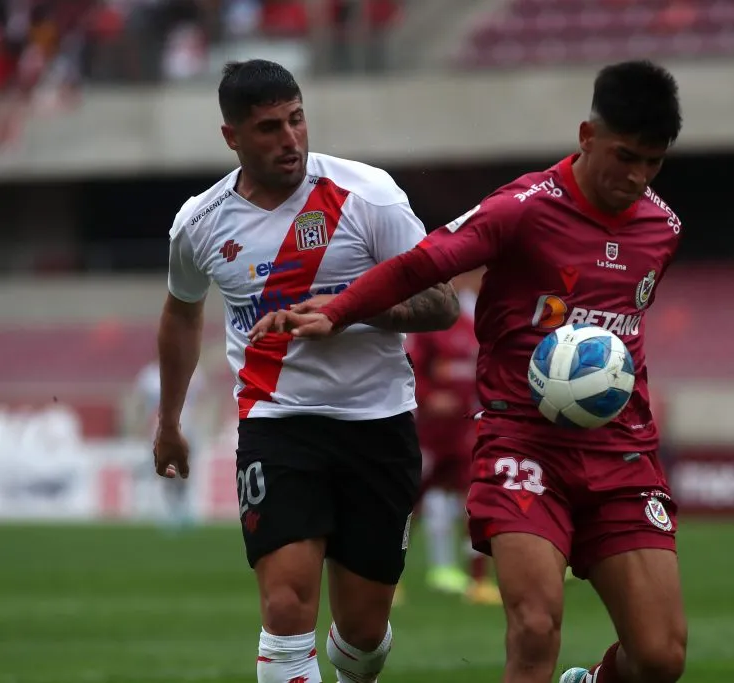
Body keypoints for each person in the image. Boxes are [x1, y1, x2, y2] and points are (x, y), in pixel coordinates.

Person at [250, 59, 687, 683]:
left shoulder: (661, 228)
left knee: (661, 659)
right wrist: (341, 310)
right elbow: (422, 263)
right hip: (523, 445)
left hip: (622, 453)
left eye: (653, 162)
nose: (637, 177)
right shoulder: (522, 209)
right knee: (534, 629)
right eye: (625, 157)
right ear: (588, 137)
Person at [152, 59, 460, 683]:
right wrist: (169, 420)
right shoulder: (200, 223)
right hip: (277, 421)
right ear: (231, 136)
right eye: (268, 128)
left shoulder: (368, 195)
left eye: (296, 120)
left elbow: (442, 304)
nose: (290, 139)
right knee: (286, 607)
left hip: (378, 421)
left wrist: (349, 309)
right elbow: (182, 317)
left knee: (363, 634)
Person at [406, 267, 501, 605]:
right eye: (472, 276)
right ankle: (388, 580)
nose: (476, 283)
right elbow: (411, 367)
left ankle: (479, 579)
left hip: (465, 429)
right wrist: (428, 396)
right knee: (408, 504)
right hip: (429, 432)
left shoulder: (482, 322)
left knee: (474, 502)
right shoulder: (434, 319)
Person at [134, 359, 207, 530]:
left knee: (185, 469)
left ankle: (185, 507)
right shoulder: (149, 375)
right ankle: (171, 510)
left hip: (187, 426)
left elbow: (202, 401)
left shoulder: (194, 372)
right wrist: (142, 426)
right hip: (160, 428)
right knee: (167, 469)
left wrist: (201, 424)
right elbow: (141, 403)